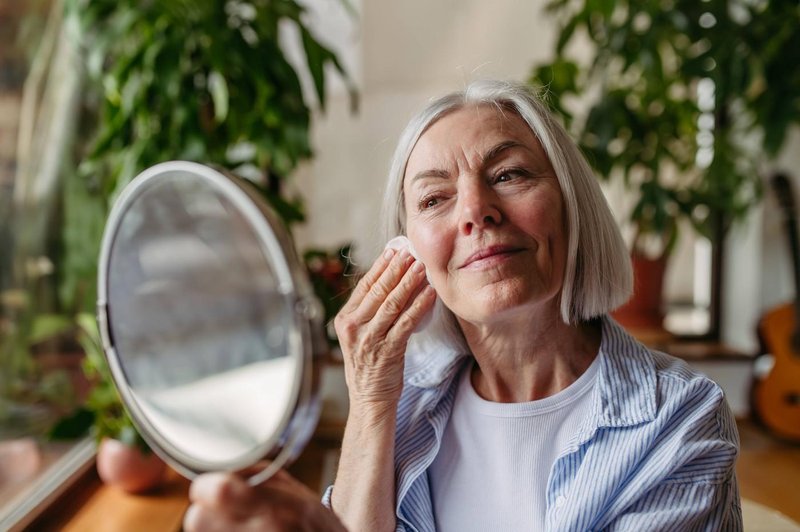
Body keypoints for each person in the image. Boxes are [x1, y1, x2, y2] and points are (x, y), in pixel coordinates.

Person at [183, 79, 742, 531]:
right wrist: (370, 398)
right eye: (434, 198)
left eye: (510, 174)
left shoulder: (682, 422)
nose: (476, 211)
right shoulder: (398, 402)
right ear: (409, 254)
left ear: (572, 206)